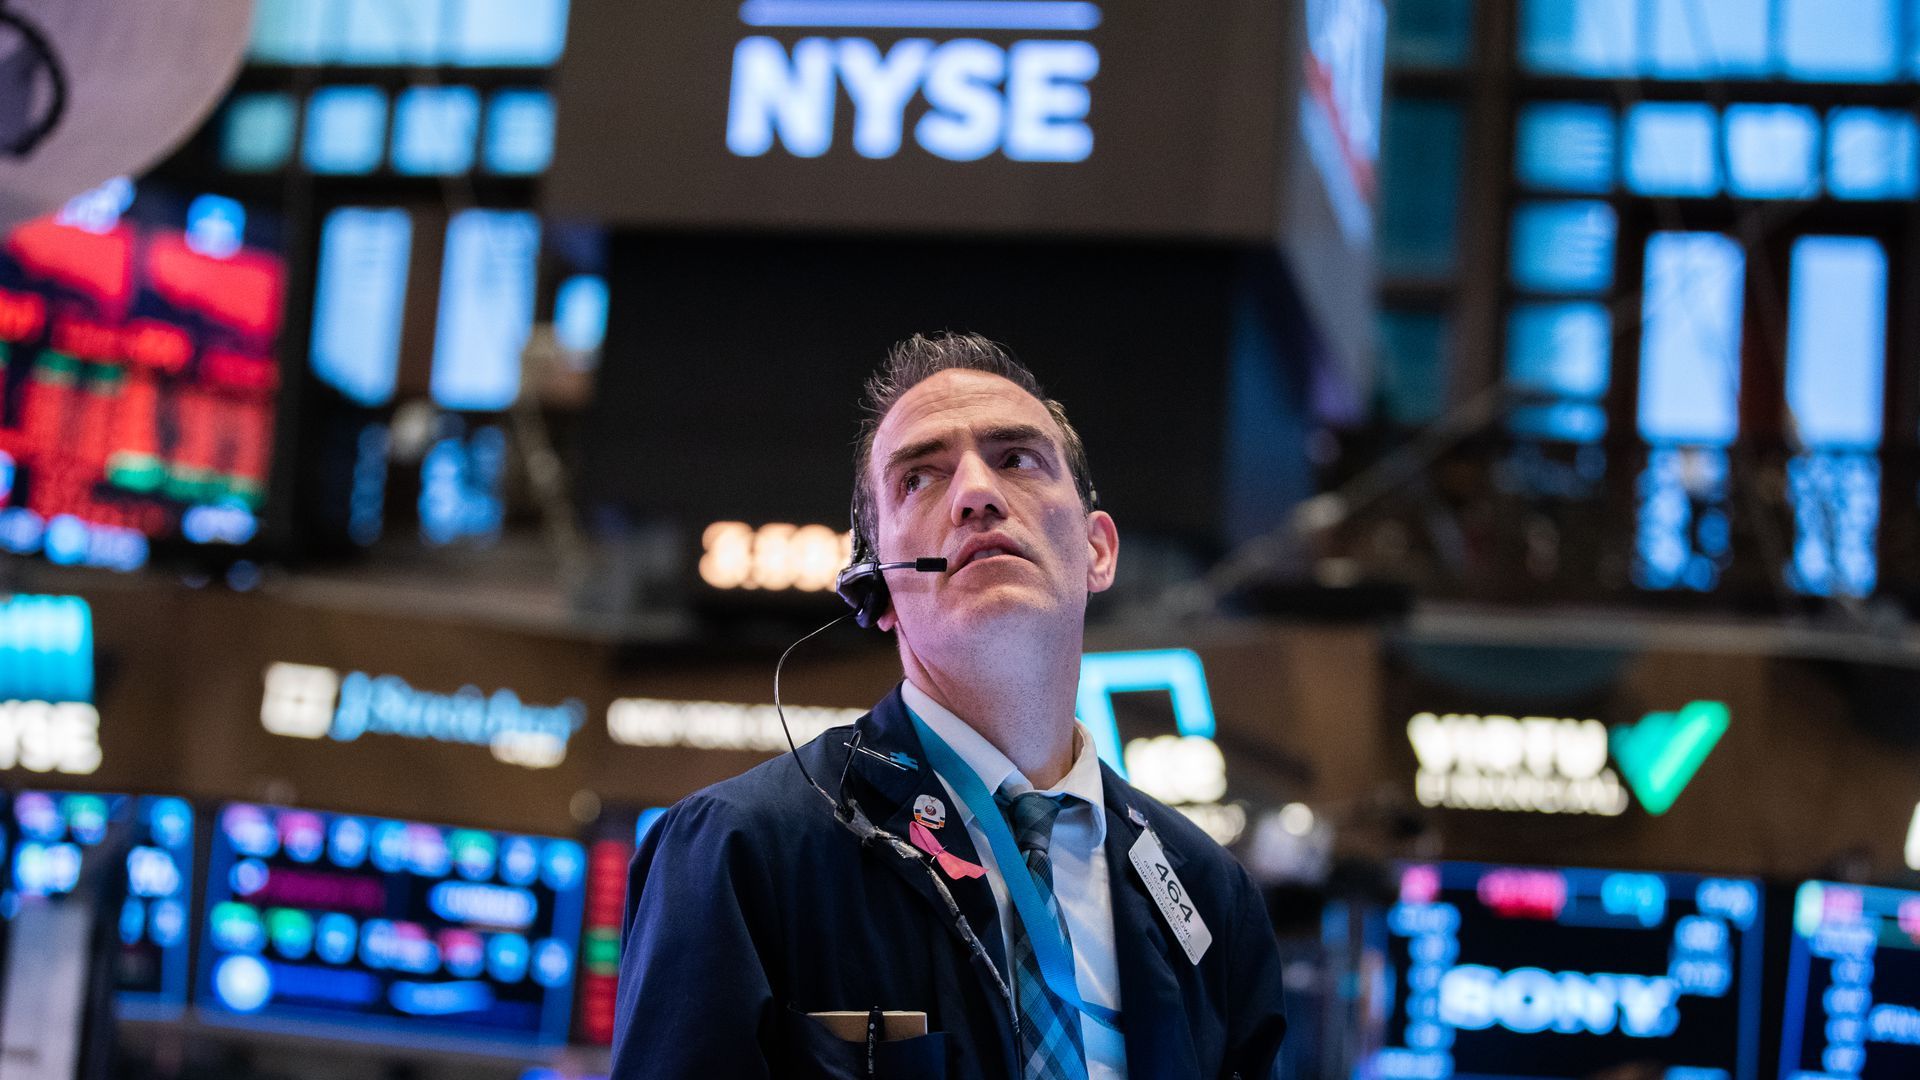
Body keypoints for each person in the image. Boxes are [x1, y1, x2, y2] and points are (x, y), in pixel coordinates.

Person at [610, 333, 1288, 1080]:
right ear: (875, 588)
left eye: (1017, 458)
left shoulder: (1211, 896)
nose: (975, 493)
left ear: (1097, 551)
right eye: (920, 478)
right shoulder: (739, 851)